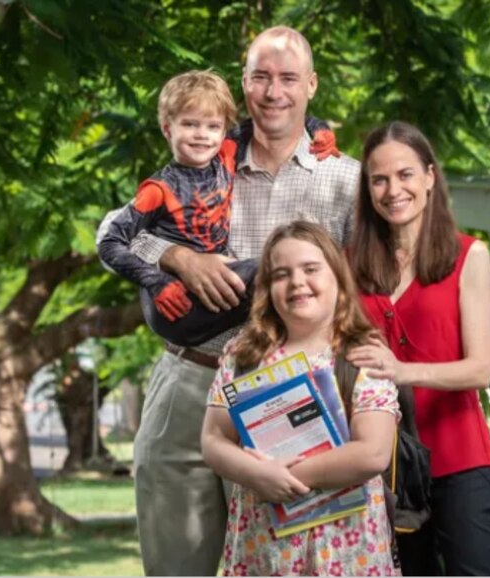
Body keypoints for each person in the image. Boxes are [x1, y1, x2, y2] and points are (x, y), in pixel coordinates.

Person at [117, 27, 361, 576]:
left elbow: (369, 286)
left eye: (289, 78)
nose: (274, 92)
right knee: (175, 563)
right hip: (189, 377)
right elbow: (119, 231)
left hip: (288, 390)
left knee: (283, 564)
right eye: (261, 77)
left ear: (312, 85)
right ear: (244, 84)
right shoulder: (203, 157)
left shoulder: (346, 180)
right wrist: (182, 259)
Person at [346, 121, 490, 576]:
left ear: (430, 177)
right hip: (382, 468)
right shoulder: (348, 266)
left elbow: (479, 371)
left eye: (405, 174)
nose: (393, 189)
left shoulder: (469, 256)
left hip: (461, 459)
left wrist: (400, 370)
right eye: (379, 179)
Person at [201, 221, 400, 576]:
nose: (297, 282)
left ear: (337, 278)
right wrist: (258, 474)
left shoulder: (362, 354)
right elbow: (214, 439)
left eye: (311, 269)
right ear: (267, 287)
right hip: (263, 548)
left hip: (349, 550)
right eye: (281, 274)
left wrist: (282, 477)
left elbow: (373, 452)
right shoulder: (243, 355)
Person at [96, 70, 337, 347]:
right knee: (280, 267)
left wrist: (318, 128)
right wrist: (155, 281)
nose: (201, 135)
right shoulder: (158, 189)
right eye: (189, 125)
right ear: (167, 128)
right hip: (175, 307)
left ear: (224, 131)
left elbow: (280, 119)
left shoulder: (227, 151)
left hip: (221, 291)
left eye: (212, 126)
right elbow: (110, 243)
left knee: (295, 281)